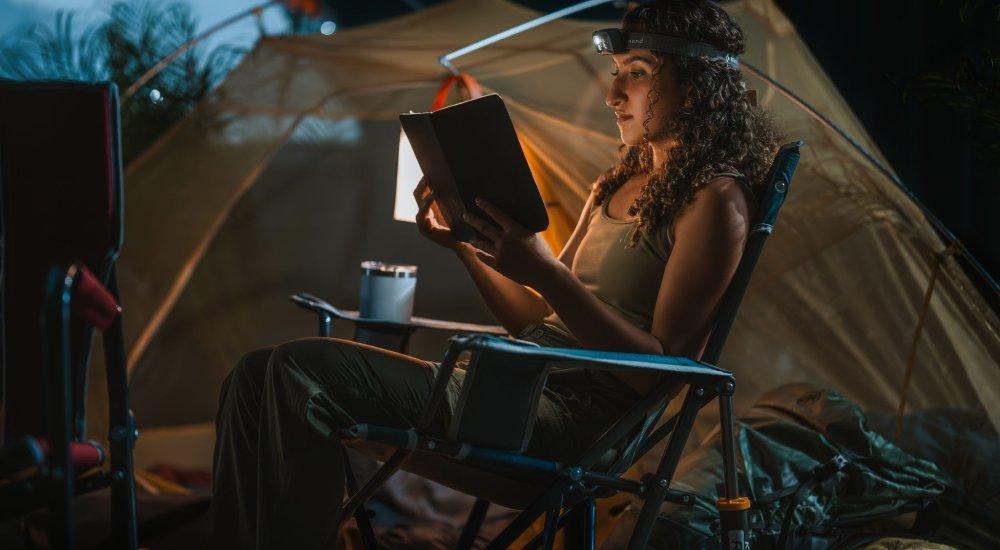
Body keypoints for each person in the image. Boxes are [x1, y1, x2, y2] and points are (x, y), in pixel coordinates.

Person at [209, 1, 780, 548]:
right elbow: (538, 320)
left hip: (572, 425)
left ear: (698, 86)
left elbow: (659, 376)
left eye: (636, 74)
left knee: (302, 372)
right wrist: (466, 247)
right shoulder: (614, 185)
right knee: (253, 376)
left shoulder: (716, 203)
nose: (612, 95)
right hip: (514, 386)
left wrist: (548, 272)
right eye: (615, 73)